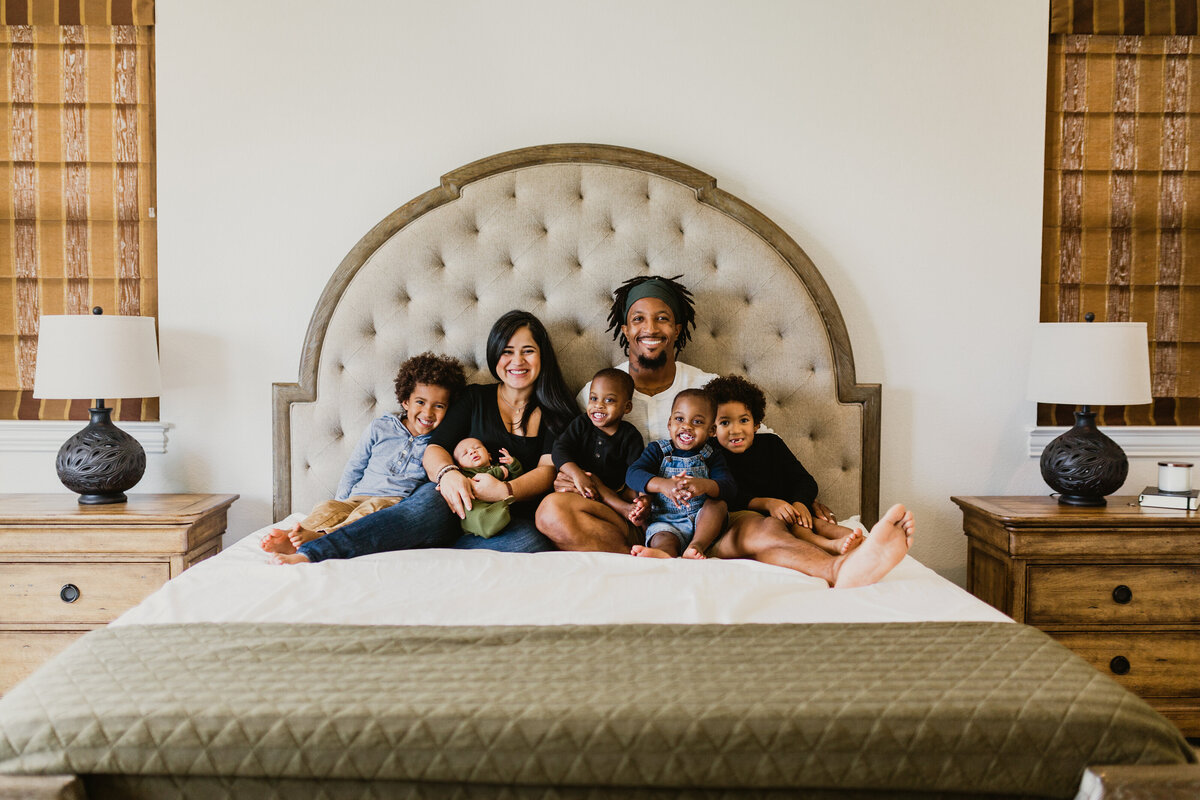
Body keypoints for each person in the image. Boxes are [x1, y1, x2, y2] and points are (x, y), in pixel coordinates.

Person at [269, 310, 578, 564]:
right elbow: (435, 447)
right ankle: (314, 551)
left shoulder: (556, 411)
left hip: (501, 514)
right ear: (496, 354)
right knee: (424, 510)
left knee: (531, 543)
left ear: (542, 356)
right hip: (450, 498)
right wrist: (450, 475)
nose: (517, 361)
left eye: (528, 351)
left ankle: (424, 545)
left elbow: (546, 471)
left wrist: (503, 489)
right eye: (508, 351)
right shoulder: (474, 398)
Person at [260, 352, 466, 552]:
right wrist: (342, 501)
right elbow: (355, 467)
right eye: (420, 402)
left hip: (392, 504)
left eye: (438, 406)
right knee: (327, 508)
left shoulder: (438, 443)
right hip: (357, 497)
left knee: (369, 513)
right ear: (405, 401)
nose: (428, 412)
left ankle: (324, 537)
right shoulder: (381, 427)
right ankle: (296, 533)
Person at [705, 374, 863, 555]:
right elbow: (728, 495)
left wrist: (800, 503)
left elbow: (804, 480)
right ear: (712, 429)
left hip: (790, 510)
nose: (736, 430)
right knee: (798, 529)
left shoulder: (772, 444)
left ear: (756, 424)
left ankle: (864, 542)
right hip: (755, 522)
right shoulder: (711, 454)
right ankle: (831, 547)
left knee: (815, 523)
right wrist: (767, 503)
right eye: (725, 422)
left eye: (744, 420)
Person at [625, 389, 735, 559]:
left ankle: (695, 547)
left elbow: (729, 487)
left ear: (712, 430)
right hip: (666, 521)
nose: (687, 426)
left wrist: (704, 485)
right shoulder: (658, 451)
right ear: (669, 424)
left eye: (697, 421)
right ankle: (664, 553)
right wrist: (663, 485)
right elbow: (633, 474)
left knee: (718, 505)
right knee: (663, 538)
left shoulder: (712, 455)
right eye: (679, 419)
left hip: (704, 523)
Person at [550, 367, 644, 524]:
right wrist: (577, 475)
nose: (599, 405)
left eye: (609, 400)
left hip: (616, 493)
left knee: (625, 489)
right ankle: (621, 509)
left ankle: (625, 509)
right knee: (586, 476)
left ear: (627, 407)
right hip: (581, 488)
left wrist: (639, 495)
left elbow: (637, 470)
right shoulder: (582, 424)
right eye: (593, 399)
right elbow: (559, 450)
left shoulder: (630, 435)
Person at [452, 439, 522, 538]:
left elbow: (517, 481)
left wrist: (513, 466)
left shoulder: (500, 467)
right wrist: (497, 473)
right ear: (460, 465)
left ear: (489, 456)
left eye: (477, 447)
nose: (472, 451)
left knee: (500, 515)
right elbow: (480, 481)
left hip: (495, 509)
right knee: (477, 514)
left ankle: (493, 521)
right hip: (475, 509)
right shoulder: (466, 474)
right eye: (465, 453)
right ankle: (485, 523)